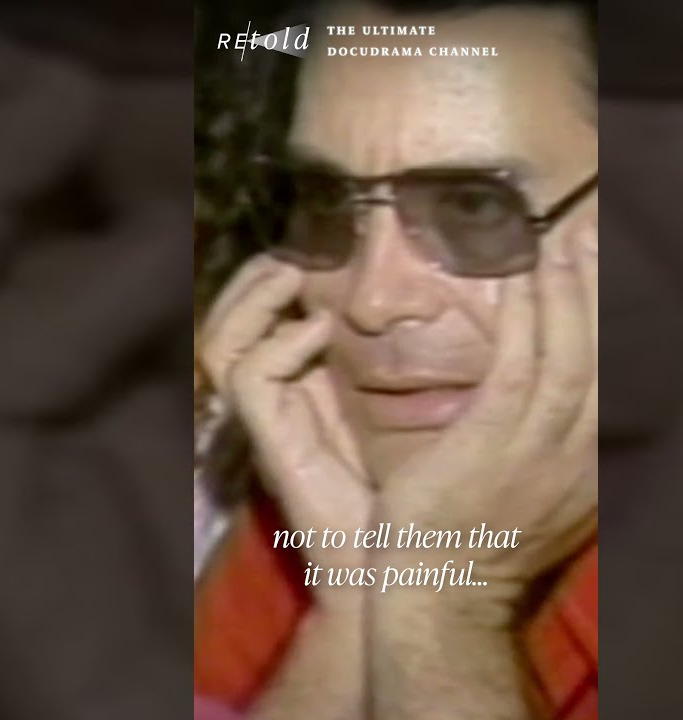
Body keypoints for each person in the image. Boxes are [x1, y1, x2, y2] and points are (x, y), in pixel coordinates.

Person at [195, 1, 599, 718]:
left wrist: (448, 609)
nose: (372, 301)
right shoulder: (307, 495)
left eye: (474, 207)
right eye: (326, 201)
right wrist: (356, 603)